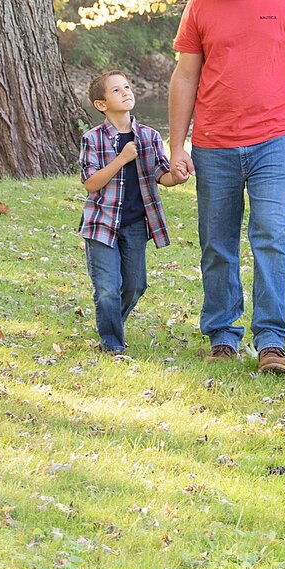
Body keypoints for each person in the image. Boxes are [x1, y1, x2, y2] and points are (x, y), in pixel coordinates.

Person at [168, 0, 285, 374]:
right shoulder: (200, 7)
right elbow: (185, 76)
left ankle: (272, 340)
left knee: (270, 232)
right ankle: (222, 334)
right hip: (213, 143)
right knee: (217, 242)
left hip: (274, 139)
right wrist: (177, 144)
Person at [79, 70, 184, 357]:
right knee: (107, 289)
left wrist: (178, 176)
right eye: (116, 90)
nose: (126, 92)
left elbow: (161, 175)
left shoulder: (149, 136)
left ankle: (111, 322)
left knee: (135, 285)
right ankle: (112, 343)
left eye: (127, 87)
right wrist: (122, 158)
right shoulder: (93, 139)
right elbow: (91, 183)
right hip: (102, 224)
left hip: (135, 225)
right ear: (101, 104)